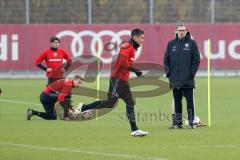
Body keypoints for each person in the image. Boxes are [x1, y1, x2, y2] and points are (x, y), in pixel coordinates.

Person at [76, 28, 148, 137]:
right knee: (109, 104)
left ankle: (135, 130)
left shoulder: (132, 48)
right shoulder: (127, 46)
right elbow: (122, 63)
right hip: (117, 80)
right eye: (141, 38)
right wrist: (136, 71)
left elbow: (125, 64)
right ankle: (83, 107)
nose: (143, 40)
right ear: (135, 37)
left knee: (130, 102)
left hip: (123, 80)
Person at [164, 23, 200, 129]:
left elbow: (196, 60)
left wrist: (191, 73)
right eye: (179, 30)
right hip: (175, 79)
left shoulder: (192, 44)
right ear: (176, 31)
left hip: (188, 79)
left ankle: (190, 122)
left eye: (183, 30)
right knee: (177, 102)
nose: (181, 32)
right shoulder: (171, 44)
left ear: (186, 32)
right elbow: (166, 60)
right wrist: (169, 73)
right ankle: (178, 123)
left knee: (190, 102)